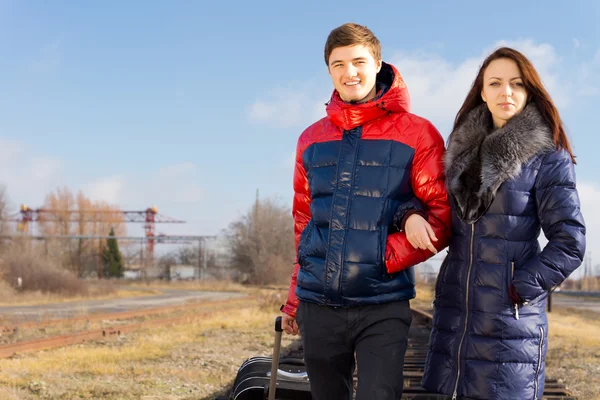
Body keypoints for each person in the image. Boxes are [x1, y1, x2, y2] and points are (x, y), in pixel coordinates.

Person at [279, 22, 451, 400]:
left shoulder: (418, 133)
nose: (349, 72)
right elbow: (304, 223)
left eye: (358, 61)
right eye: (338, 64)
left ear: (377, 64)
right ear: (329, 71)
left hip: (382, 304)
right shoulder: (310, 138)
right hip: (318, 304)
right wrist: (294, 299)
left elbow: (441, 216)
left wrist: (380, 258)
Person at [422, 47, 586, 400]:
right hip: (456, 316)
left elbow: (570, 241)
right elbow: (433, 207)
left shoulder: (547, 156)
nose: (505, 92)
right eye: (495, 83)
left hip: (509, 321)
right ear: (482, 91)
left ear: (529, 91)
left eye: (516, 83)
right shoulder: (460, 150)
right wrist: (408, 216)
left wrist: (520, 286)